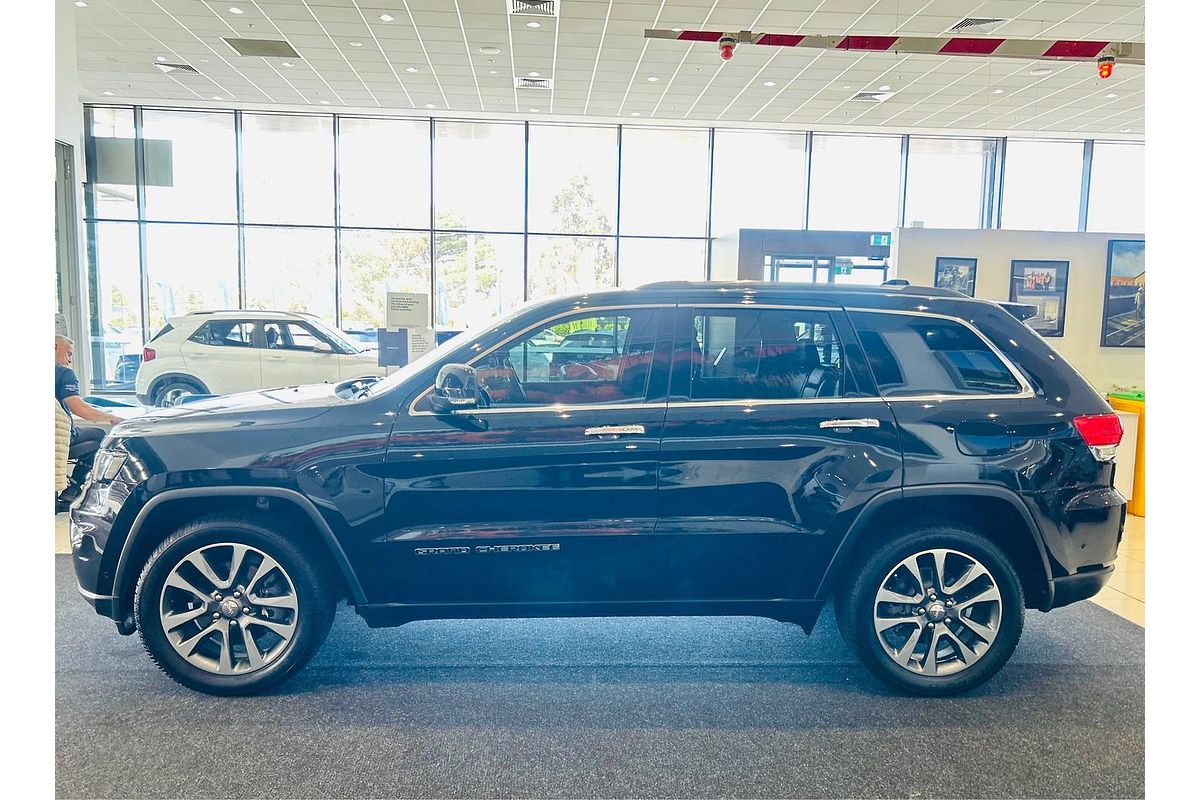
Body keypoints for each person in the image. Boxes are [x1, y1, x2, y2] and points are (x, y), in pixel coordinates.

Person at [55, 335, 122, 506]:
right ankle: (73, 490)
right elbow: (80, 409)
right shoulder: (63, 373)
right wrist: (111, 417)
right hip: (58, 438)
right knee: (99, 436)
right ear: (55, 347)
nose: (69, 360)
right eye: (68, 354)